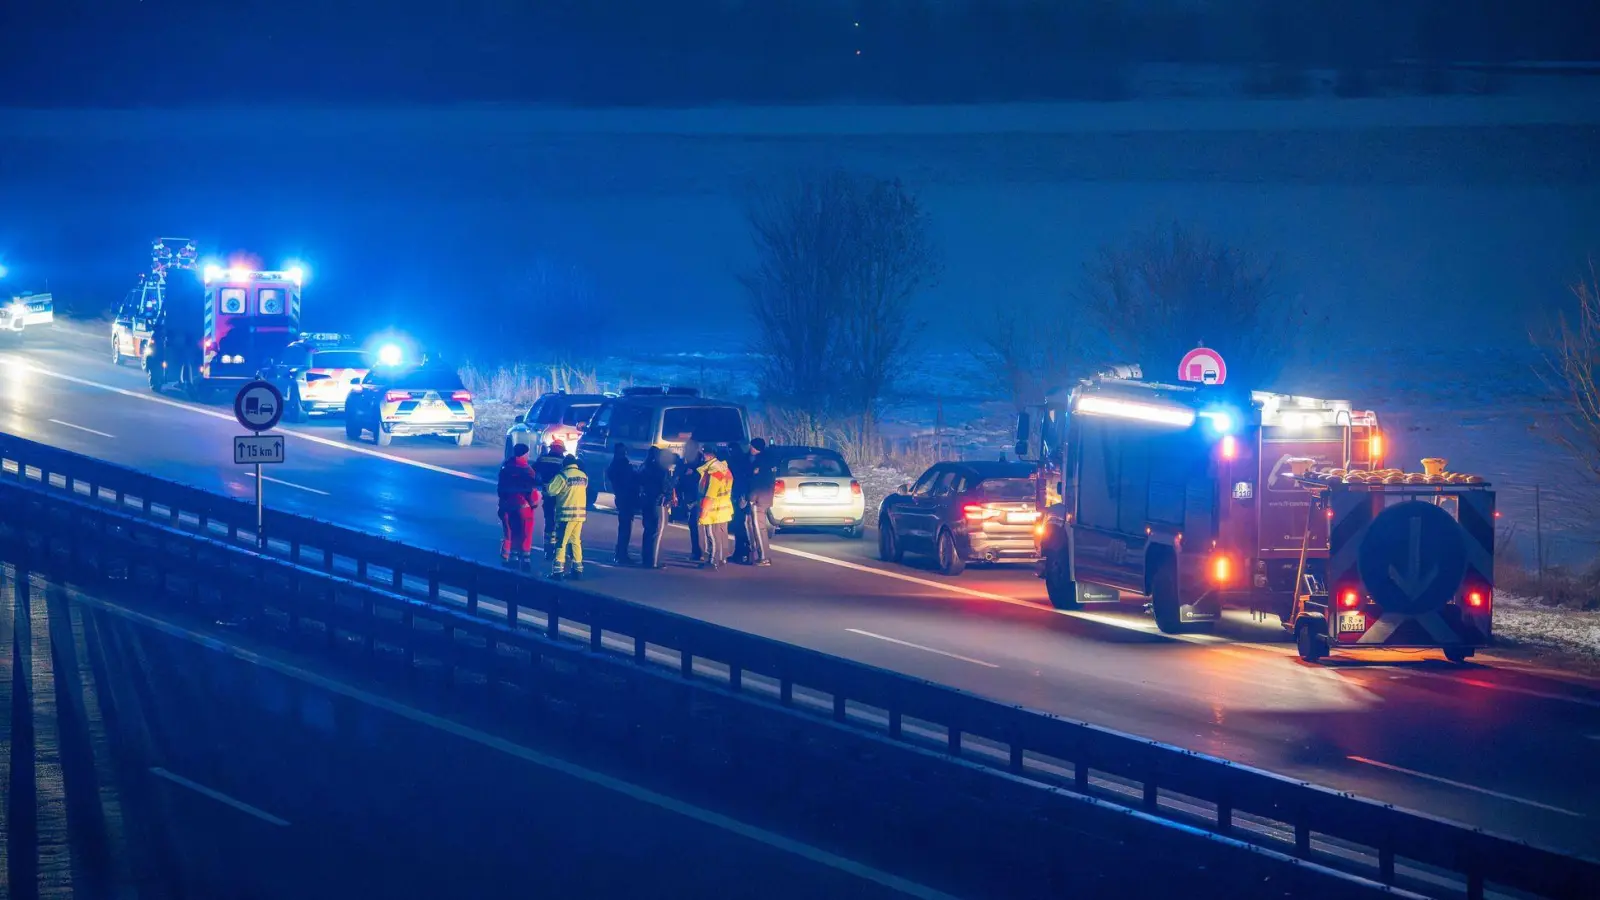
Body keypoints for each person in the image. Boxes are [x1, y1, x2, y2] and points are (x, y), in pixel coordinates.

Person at [496, 444, 541, 571]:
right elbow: (531, 490)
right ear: (525, 454)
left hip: (506, 505)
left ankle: (509, 557)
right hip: (523, 506)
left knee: (510, 531)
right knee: (525, 532)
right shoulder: (528, 470)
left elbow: (500, 488)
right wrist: (534, 503)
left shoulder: (505, 467)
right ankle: (525, 558)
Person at [545, 454, 588, 579]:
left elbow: (551, 491)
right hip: (579, 516)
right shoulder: (583, 476)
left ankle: (557, 571)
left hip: (566, 516)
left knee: (561, 543)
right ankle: (577, 570)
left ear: (564, 464)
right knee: (575, 541)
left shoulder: (563, 476)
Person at [696, 444, 735, 569]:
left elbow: (711, 493)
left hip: (714, 507)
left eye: (703, 454)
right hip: (723, 506)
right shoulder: (723, 467)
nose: (702, 457)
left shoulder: (713, 471)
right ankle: (721, 558)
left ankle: (712, 561)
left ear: (708, 455)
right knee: (721, 534)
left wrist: (704, 511)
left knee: (711, 534)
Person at [638, 447, 675, 568]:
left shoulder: (644, 467)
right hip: (659, 502)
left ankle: (646, 558)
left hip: (646, 501)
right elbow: (666, 487)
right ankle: (654, 561)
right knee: (658, 531)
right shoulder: (662, 469)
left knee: (648, 530)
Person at [743, 437, 774, 566]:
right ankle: (759, 554)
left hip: (758, 499)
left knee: (758, 527)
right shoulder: (768, 461)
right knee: (755, 525)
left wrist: (751, 498)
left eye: (752, 446)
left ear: (756, 448)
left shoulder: (759, 463)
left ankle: (764, 557)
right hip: (765, 497)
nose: (750, 448)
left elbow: (756, 483)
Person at [607, 443, 640, 565]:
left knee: (624, 527)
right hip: (626, 499)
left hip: (621, 498)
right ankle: (621, 554)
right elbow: (630, 481)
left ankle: (621, 553)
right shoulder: (623, 465)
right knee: (625, 528)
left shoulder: (615, 464)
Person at [533, 438, 567, 556]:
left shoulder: (542, 459)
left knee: (549, 522)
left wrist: (539, 484)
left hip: (547, 496)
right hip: (561, 498)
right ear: (562, 450)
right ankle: (559, 548)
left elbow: (533, 473)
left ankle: (548, 549)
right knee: (561, 523)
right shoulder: (564, 462)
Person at [675, 446, 705, 562]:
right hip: (691, 498)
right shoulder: (685, 465)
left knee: (697, 526)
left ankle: (699, 552)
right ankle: (697, 552)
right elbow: (679, 481)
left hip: (697, 499)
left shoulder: (699, 467)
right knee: (694, 525)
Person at [728, 441, 752, 563]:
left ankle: (743, 553)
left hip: (739, 496)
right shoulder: (745, 461)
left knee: (740, 527)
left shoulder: (735, 463)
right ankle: (742, 553)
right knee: (740, 526)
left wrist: (741, 496)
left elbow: (739, 481)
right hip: (740, 496)